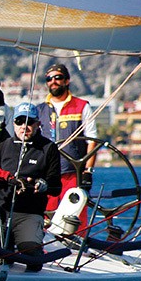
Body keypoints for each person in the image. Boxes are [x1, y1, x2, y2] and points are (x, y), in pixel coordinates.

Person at [0, 102, 62, 270]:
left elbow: (56, 186)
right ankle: (5, 246)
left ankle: (25, 243)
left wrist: (44, 185)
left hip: (29, 213)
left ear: (38, 124)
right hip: (2, 211)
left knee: (33, 261)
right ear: (13, 123)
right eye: (20, 122)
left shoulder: (48, 148)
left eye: (29, 122)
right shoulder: (2, 146)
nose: (24, 126)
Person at [37, 63, 97, 220]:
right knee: (46, 217)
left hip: (73, 173)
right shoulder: (39, 110)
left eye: (58, 78)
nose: (53, 82)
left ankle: (77, 243)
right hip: (47, 174)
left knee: (75, 218)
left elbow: (91, 140)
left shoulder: (82, 106)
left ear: (67, 80)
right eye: (49, 79)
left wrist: (88, 172)